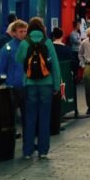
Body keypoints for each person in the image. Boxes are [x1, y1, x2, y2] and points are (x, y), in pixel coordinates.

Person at [14, 17, 62, 160]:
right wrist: (56, 85)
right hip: (46, 84)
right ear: (42, 28)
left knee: (30, 118)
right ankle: (43, 150)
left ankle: (28, 151)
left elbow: (18, 59)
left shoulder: (24, 43)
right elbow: (55, 66)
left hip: (30, 84)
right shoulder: (48, 42)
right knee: (44, 117)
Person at [51, 26, 78, 119]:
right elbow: (73, 62)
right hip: (65, 76)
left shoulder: (50, 47)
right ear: (62, 36)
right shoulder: (66, 49)